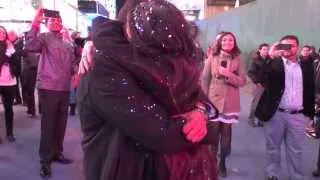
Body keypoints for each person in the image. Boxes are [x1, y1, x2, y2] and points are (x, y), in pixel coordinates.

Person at [78, 0, 220, 180]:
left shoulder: (169, 61)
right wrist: (206, 128)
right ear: (131, 30)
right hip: (128, 167)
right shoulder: (105, 67)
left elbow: (196, 96)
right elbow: (160, 134)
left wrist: (200, 112)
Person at [24, 8, 76, 178]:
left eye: (59, 20)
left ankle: (57, 153)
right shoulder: (44, 38)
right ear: (47, 24)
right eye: (52, 20)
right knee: (48, 127)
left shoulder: (68, 43)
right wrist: (35, 22)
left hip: (64, 89)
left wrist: (76, 74)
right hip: (48, 88)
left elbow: (72, 64)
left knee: (61, 126)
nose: (56, 22)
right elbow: (30, 46)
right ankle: (45, 161)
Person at [255, 35, 315, 180]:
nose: (288, 49)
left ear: (298, 48)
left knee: (296, 150)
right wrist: (270, 56)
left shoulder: (306, 66)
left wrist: (310, 116)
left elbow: (310, 90)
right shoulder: (274, 63)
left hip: (299, 115)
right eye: (284, 45)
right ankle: (272, 174)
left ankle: (296, 176)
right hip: (276, 114)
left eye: (291, 45)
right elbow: (260, 78)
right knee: (273, 147)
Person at [201, 32, 247, 177]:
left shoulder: (239, 58)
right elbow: (204, 79)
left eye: (231, 39)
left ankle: (222, 163)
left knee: (226, 133)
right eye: (225, 39)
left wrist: (228, 74)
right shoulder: (212, 57)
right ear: (220, 42)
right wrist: (204, 101)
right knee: (213, 134)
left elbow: (243, 81)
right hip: (213, 100)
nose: (228, 42)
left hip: (230, 101)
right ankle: (212, 162)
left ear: (234, 42)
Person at [0, 26, 20, 144]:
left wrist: (12, 51)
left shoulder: (10, 46)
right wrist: (8, 52)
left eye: (3, 32)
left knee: (9, 108)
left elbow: (16, 63)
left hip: (10, 82)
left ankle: (9, 133)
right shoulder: (7, 47)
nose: (2, 34)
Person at [248, 43, 270, 127]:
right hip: (258, 85)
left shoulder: (270, 60)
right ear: (260, 50)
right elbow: (250, 72)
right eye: (264, 49)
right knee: (256, 103)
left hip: (267, 85)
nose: (266, 51)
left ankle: (260, 120)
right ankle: (251, 119)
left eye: (267, 49)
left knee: (264, 103)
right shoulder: (255, 60)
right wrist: (257, 82)